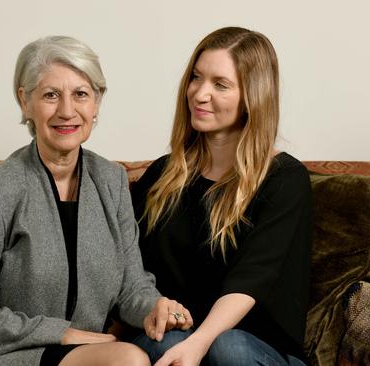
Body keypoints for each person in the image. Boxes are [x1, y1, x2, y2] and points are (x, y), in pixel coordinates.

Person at [0, 35, 192, 366]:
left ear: (96, 102)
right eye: (51, 95)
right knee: (128, 359)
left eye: (81, 94)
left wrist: (154, 308)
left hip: (77, 352)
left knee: (163, 350)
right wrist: (61, 333)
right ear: (25, 102)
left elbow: (130, 285)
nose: (67, 111)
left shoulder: (111, 181)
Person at [131, 27, 312, 365]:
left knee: (228, 348)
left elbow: (251, 280)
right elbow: (128, 265)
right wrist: (154, 306)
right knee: (160, 343)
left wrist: (199, 342)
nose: (199, 94)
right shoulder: (162, 175)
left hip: (258, 350)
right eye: (196, 78)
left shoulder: (285, 180)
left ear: (252, 97)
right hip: (181, 338)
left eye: (220, 84)